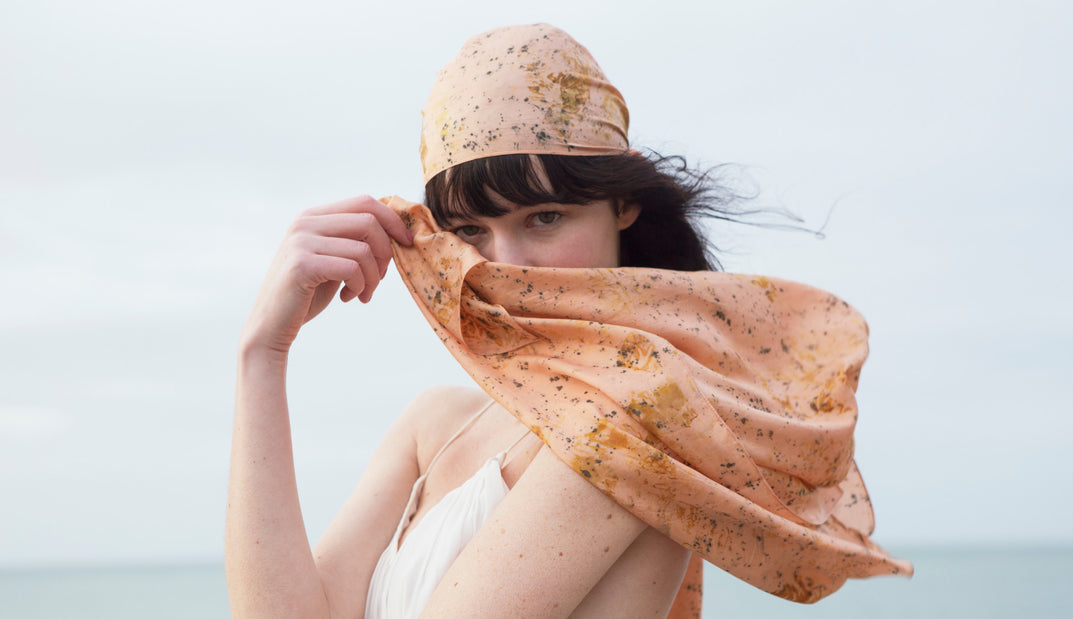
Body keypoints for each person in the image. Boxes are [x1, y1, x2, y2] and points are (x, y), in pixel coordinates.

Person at [226, 23, 910, 619]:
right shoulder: (433, 426)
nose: (511, 262)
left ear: (623, 202)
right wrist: (263, 352)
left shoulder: (641, 416)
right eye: (471, 228)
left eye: (544, 217)